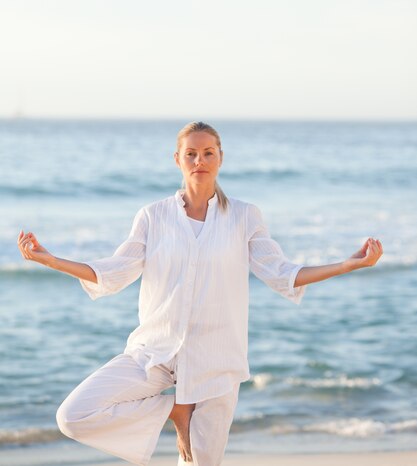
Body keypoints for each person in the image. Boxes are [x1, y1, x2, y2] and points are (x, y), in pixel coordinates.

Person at [17, 120, 384, 466]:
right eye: (191, 153)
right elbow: (114, 271)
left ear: (221, 158)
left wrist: (346, 265)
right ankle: (174, 410)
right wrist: (51, 260)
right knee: (73, 415)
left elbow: (282, 274)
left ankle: (183, 410)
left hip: (215, 362)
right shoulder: (153, 216)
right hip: (155, 354)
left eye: (208, 152)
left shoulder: (244, 216)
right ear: (177, 159)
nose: (199, 161)